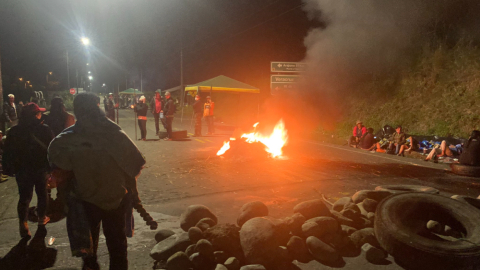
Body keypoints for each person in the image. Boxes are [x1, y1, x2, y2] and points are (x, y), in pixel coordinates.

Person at [48, 93, 145, 270]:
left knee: (89, 248)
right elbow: (136, 164)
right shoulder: (113, 132)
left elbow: (55, 157)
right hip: (115, 197)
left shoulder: (69, 137)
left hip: (86, 200)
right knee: (117, 248)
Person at [3, 103, 54, 238]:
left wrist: (8, 168)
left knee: (24, 197)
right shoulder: (45, 129)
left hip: (22, 169)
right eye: (39, 113)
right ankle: (42, 218)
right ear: (36, 115)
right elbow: (52, 149)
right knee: (42, 194)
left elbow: (7, 152)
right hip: (40, 168)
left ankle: (23, 224)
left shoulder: (14, 131)